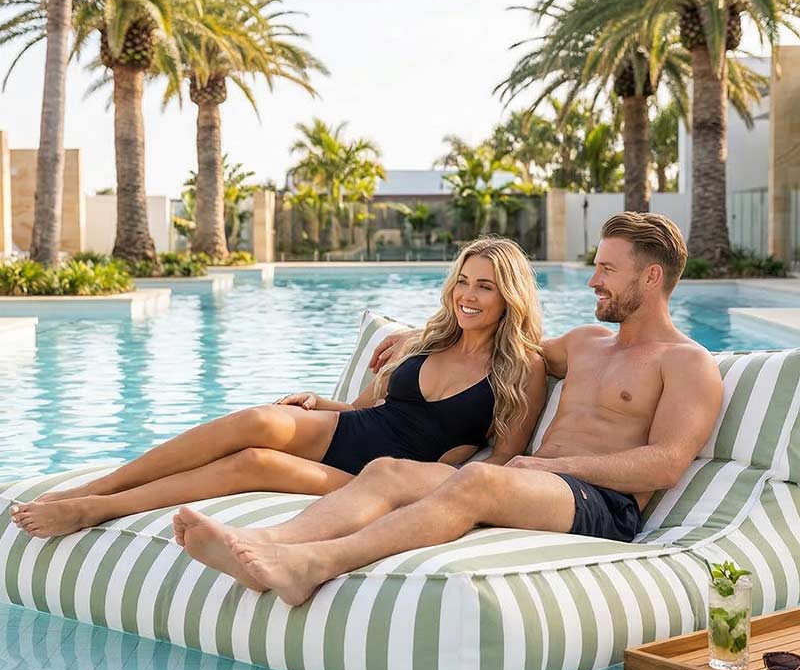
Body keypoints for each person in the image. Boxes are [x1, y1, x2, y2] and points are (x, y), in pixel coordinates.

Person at [165, 211, 725, 606]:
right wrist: (422, 335)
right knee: (388, 470)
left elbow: (666, 463)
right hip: (534, 486)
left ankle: (313, 565)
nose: (593, 279)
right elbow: (501, 342)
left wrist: (549, 466)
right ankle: (271, 543)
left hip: (601, 506)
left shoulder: (686, 364)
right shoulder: (583, 342)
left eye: (607, 269)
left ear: (651, 277)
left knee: (479, 480)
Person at [10, 237, 547, 539]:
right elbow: (368, 407)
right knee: (259, 422)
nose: (467, 295)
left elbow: (502, 458)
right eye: (463, 281)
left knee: (253, 462)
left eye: (486, 286)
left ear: (510, 297)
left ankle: (97, 510)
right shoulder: (427, 340)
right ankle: (97, 487)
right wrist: (321, 402)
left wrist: (436, 491)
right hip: (356, 428)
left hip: (382, 475)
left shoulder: (522, 366)